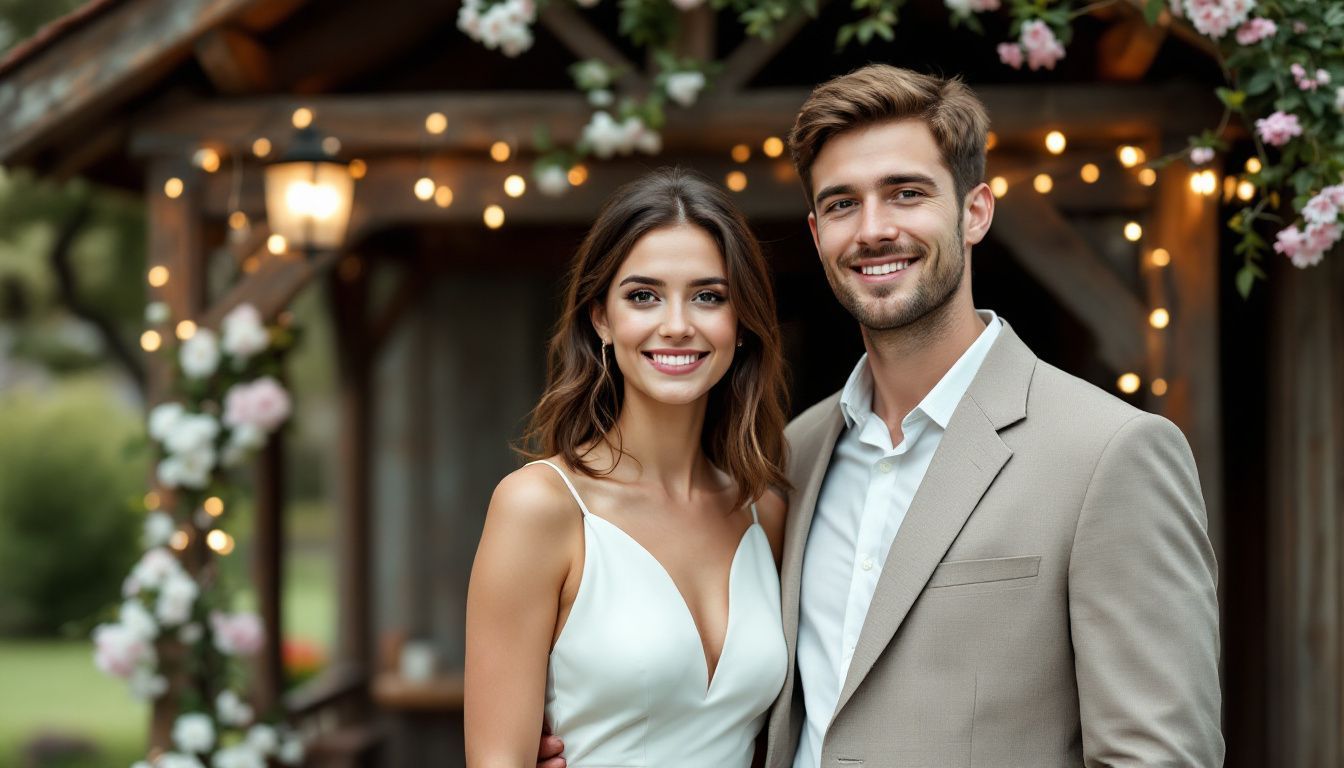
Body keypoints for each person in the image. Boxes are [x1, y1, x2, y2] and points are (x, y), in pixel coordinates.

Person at [540, 65, 1224, 767]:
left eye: (906, 193)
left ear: (976, 211)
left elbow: (1159, 756)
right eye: (842, 204)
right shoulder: (789, 461)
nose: (873, 230)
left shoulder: (1110, 453)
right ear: (816, 233)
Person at [465, 167, 792, 768]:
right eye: (643, 295)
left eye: (708, 296)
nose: (676, 324)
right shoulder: (540, 507)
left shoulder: (764, 512)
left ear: (740, 322)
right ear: (601, 319)